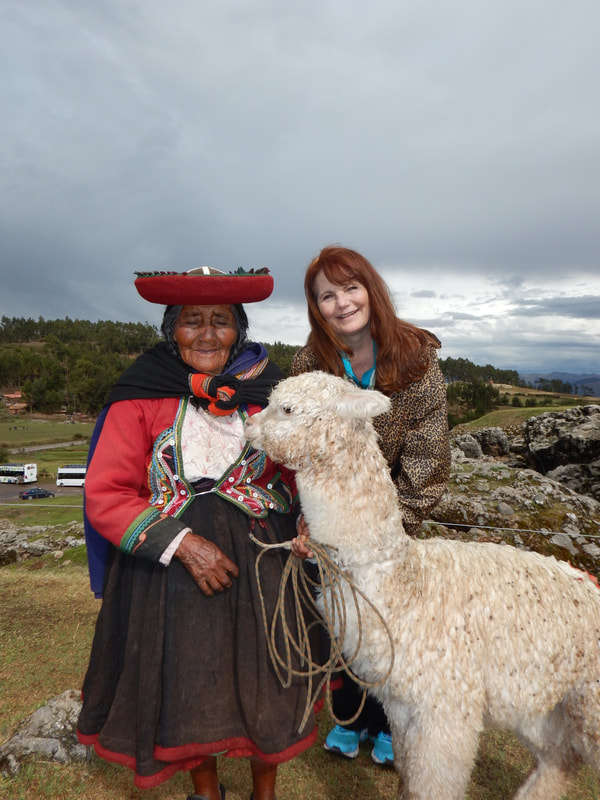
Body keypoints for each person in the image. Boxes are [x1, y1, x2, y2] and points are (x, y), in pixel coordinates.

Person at [77, 267, 319, 800]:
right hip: (172, 572)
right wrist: (183, 544)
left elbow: (305, 469)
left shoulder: (270, 391)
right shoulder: (141, 392)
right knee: (188, 685)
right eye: (192, 321)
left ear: (239, 330)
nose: (207, 334)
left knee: (269, 679)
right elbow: (108, 491)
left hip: (265, 565)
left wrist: (312, 519)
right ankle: (206, 792)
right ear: (172, 330)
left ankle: (265, 792)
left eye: (221, 321)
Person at [289, 245, 451, 767]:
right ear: (316, 307)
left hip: (389, 526)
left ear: (370, 290)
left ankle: (385, 725)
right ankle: (348, 718)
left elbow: (428, 458)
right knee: (340, 620)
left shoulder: (417, 360)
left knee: (386, 620)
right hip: (328, 522)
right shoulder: (310, 363)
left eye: (350, 288)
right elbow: (300, 446)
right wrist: (313, 520)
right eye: (327, 296)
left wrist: (385, 530)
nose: (341, 303)